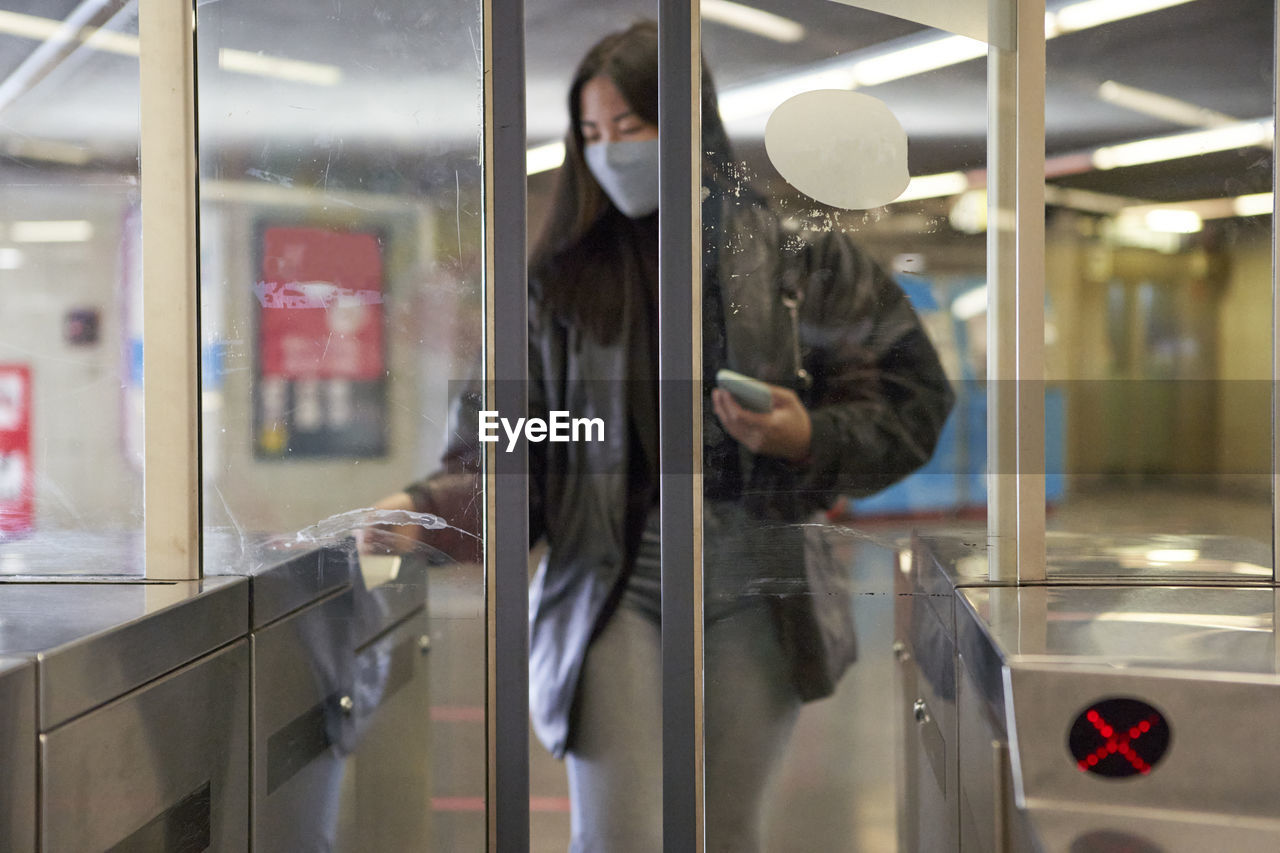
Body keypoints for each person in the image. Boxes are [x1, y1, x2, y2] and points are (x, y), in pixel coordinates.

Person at [364, 19, 953, 852]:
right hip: (612, 575)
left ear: (688, 126)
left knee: (724, 830)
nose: (608, 152)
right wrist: (428, 507)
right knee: (622, 836)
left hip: (760, 569)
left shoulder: (798, 259)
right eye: (592, 133)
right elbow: (510, 439)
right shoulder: (558, 282)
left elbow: (911, 394)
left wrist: (806, 435)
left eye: (629, 129)